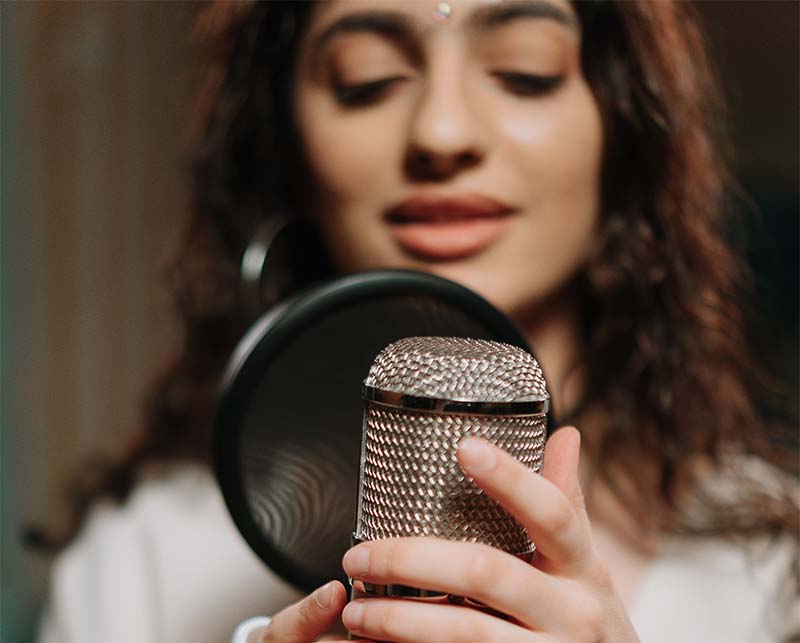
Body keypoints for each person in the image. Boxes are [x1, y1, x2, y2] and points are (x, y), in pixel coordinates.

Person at [36, 1, 797, 642]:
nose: (441, 131)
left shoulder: (774, 570)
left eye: (524, 72)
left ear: (622, 134)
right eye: (367, 82)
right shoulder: (140, 564)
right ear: (288, 149)